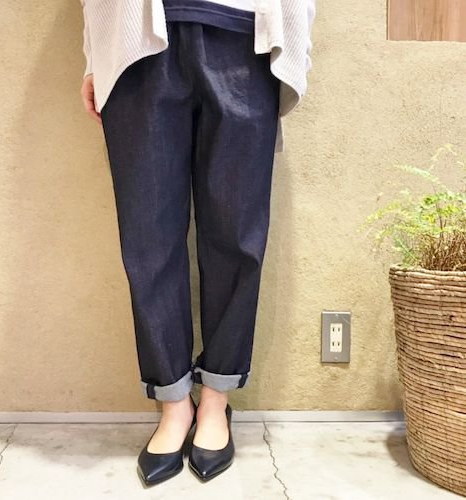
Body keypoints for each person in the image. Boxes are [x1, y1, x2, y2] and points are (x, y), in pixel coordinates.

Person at [79, 0, 315, 485]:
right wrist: (93, 55)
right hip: (133, 42)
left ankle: (215, 400)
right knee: (148, 238)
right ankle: (173, 404)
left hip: (243, 35)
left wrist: (296, 49)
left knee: (236, 235)